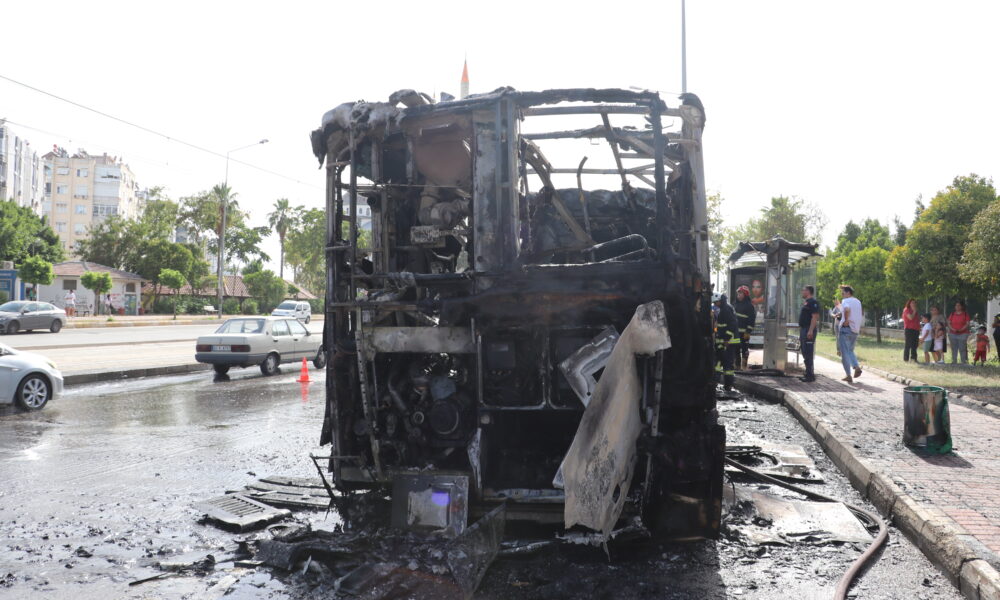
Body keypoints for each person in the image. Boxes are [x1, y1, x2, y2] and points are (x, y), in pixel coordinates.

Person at [712, 291, 740, 392]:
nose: (715, 305)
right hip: (725, 341)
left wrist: (727, 339)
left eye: (715, 302)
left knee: (727, 364)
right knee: (721, 363)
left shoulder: (726, 309)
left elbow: (732, 324)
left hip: (728, 342)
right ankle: (720, 384)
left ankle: (727, 385)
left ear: (719, 300)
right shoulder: (725, 308)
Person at [838, 285, 863, 383]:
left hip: (846, 329)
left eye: (843, 293)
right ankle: (856, 366)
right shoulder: (858, 301)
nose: (842, 295)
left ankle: (848, 375)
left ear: (848, 293)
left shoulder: (845, 301)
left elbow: (847, 309)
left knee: (844, 353)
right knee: (850, 350)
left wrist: (846, 320)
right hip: (855, 330)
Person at [798, 285, 819, 382]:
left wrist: (810, 330)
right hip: (804, 329)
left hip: (808, 330)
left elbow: (814, 317)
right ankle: (807, 373)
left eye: (803, 290)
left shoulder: (813, 302)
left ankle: (810, 375)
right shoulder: (806, 302)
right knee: (804, 351)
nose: (802, 292)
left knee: (808, 353)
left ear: (808, 291)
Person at [732, 285, 756, 370]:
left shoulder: (749, 306)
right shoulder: (734, 304)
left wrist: (748, 331)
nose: (738, 295)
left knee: (744, 350)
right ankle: (737, 366)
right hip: (735, 332)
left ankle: (744, 367)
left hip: (744, 333)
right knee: (736, 349)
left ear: (745, 294)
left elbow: (751, 320)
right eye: (738, 293)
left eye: (740, 293)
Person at [947, 301, 971, 365]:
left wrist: (961, 329)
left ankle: (963, 361)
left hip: (963, 333)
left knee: (962, 348)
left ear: (962, 306)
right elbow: (949, 323)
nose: (957, 307)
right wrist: (953, 329)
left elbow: (967, 324)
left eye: (959, 305)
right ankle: (954, 361)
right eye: (956, 305)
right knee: (954, 348)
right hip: (952, 333)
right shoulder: (952, 314)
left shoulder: (965, 314)